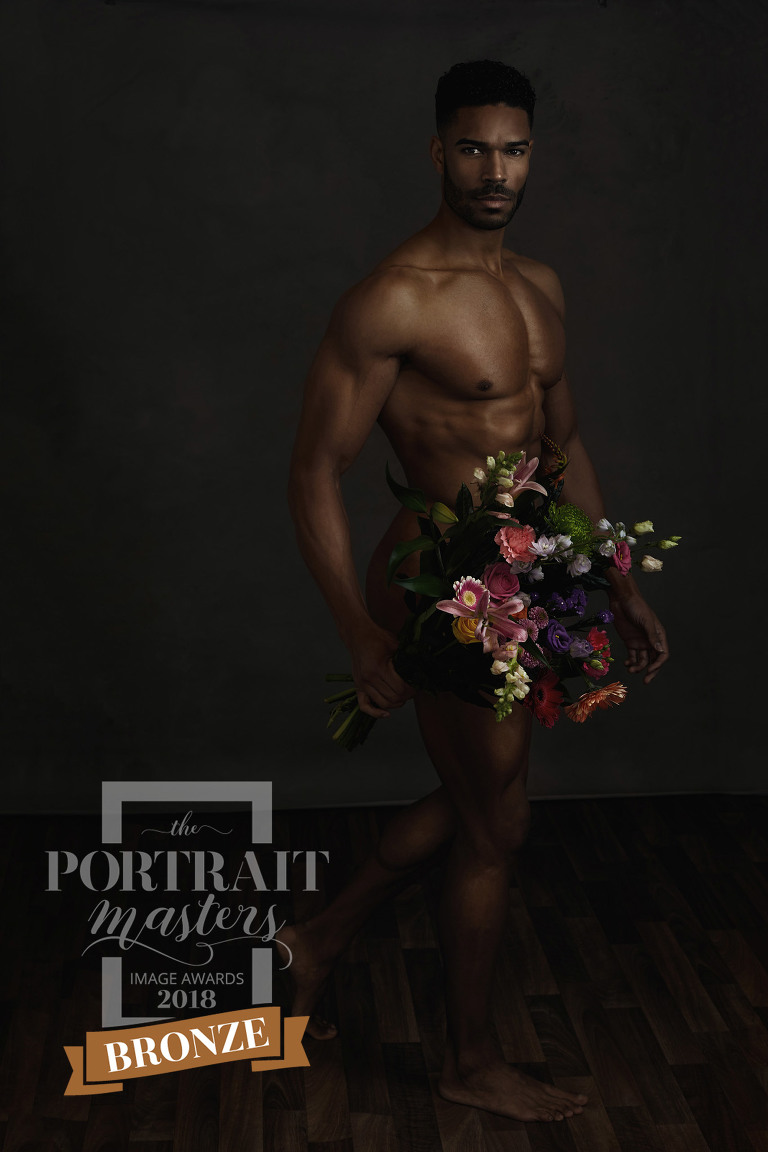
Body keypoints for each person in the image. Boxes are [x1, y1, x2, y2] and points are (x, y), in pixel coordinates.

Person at [283, 59, 668, 1124]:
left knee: (483, 806)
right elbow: (314, 469)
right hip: (438, 581)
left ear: (531, 154)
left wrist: (617, 580)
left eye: (514, 149)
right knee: (498, 824)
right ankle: (468, 1061)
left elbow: (563, 449)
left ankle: (315, 942)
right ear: (437, 152)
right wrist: (359, 630)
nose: (495, 171)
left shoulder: (541, 288)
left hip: (527, 573)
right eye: (473, 148)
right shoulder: (395, 299)